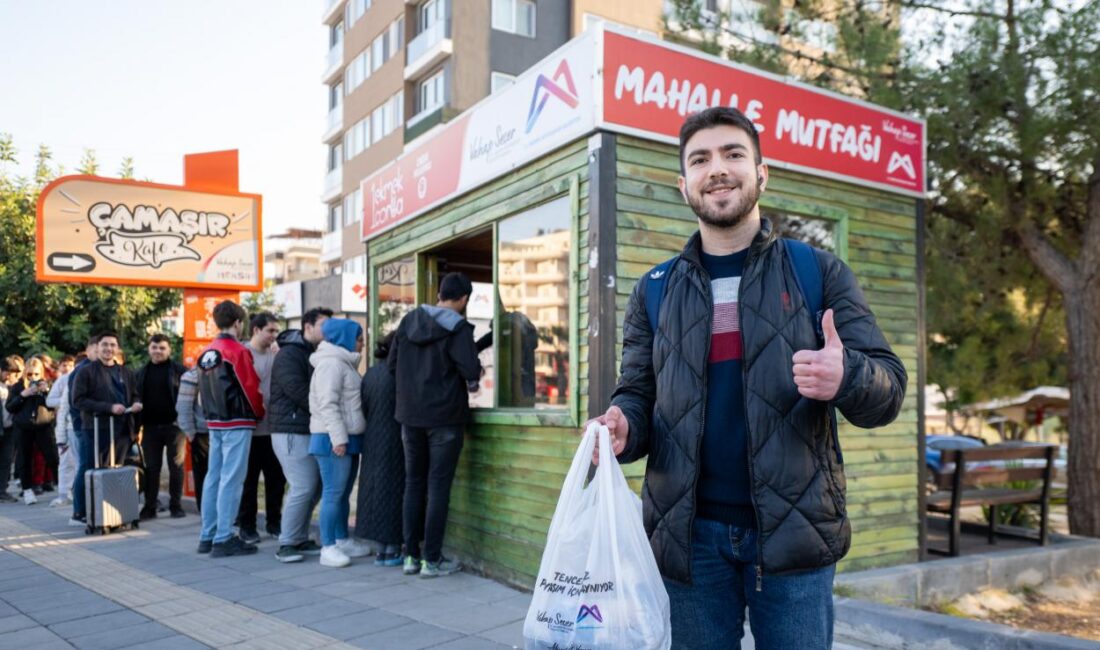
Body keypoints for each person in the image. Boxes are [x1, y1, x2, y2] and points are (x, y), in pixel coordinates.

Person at [591, 107, 908, 649]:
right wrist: (623, 427)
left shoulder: (817, 271)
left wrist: (847, 375)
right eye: (700, 159)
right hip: (688, 544)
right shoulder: (654, 291)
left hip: (794, 540)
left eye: (733, 154)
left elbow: (889, 387)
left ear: (762, 173)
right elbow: (638, 395)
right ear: (683, 183)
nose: (717, 168)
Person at [389, 272, 482, 578]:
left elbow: (391, 366)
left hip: (409, 417)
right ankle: (432, 560)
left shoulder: (408, 322)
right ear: (463, 299)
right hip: (444, 418)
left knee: (413, 484)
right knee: (438, 486)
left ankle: (410, 557)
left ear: (440, 294)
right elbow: (470, 369)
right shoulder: (457, 328)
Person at [195, 300, 265, 557]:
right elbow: (250, 388)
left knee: (213, 477)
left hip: (214, 421)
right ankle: (224, 537)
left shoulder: (206, 352)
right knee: (232, 479)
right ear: (238, 323)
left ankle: (208, 534)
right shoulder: (237, 351)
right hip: (238, 420)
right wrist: (258, 413)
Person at [268, 307, 332, 563]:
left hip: (306, 428)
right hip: (290, 430)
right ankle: (286, 543)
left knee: (314, 487)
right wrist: (325, 408)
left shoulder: (312, 353)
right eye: (323, 326)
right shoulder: (289, 354)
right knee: (303, 485)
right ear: (307, 327)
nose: (327, 331)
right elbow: (297, 390)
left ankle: (299, 537)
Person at [309, 318, 370, 568]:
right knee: (333, 494)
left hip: (347, 438)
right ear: (345, 339)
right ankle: (328, 546)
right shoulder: (331, 364)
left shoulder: (343, 363)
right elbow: (328, 404)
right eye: (358, 339)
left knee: (343, 494)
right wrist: (339, 439)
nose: (363, 344)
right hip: (333, 439)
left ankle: (342, 539)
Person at [71, 332, 143, 524]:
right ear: (97, 347)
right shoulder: (86, 371)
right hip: (95, 429)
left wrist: (136, 404)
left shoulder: (125, 372)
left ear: (117, 348)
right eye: (104, 345)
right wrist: (108, 408)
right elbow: (78, 400)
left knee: (116, 470)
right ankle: (84, 512)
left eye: (112, 345)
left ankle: (112, 512)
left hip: (122, 430)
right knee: (92, 468)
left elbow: (135, 394)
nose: (108, 349)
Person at [237, 311, 286, 543]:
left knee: (276, 480)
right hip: (248, 430)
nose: (274, 336)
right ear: (256, 330)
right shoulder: (242, 354)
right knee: (249, 481)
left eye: (276, 331)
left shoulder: (277, 355)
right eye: (271, 331)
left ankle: (274, 523)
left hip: (273, 428)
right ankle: (247, 526)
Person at [355, 331, 403, 566]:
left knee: (374, 491)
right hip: (395, 438)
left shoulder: (371, 373)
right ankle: (393, 548)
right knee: (394, 491)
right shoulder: (400, 374)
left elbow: (363, 406)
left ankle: (381, 550)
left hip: (372, 438)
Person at [136, 334, 187, 519]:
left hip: (175, 427)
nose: (158, 351)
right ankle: (150, 506)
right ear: (149, 349)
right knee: (152, 468)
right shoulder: (140, 373)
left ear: (169, 350)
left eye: (162, 348)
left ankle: (176, 505)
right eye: (154, 347)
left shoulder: (180, 371)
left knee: (176, 466)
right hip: (149, 428)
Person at [6, 356, 59, 505]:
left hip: (43, 425)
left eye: (36, 374)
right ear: (25, 374)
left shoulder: (47, 385)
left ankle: (62, 488)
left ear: (41, 373)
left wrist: (45, 391)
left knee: (52, 457)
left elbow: (52, 405)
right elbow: (10, 407)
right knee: (24, 459)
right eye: (29, 374)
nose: (33, 378)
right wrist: (23, 395)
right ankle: (27, 490)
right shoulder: (18, 387)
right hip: (23, 427)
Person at [46, 354, 78, 507]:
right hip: (65, 426)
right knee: (65, 462)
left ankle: (78, 493)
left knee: (80, 463)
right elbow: (50, 400)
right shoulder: (64, 380)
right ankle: (63, 494)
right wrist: (68, 400)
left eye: (70, 365)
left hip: (83, 426)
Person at [176, 365, 209, 513]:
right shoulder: (193, 375)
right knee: (203, 474)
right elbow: (183, 406)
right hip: (201, 434)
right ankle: (205, 512)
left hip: (222, 431)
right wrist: (190, 433)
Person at [0, 356, 25, 503]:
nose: (10, 376)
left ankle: (2, 490)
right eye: (7, 372)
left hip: (9, 428)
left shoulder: (11, 387)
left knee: (6, 461)